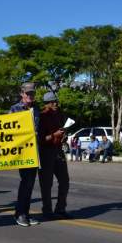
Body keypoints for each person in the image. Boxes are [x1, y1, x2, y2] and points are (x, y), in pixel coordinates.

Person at [9, 82, 40, 227]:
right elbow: (8, 131)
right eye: (28, 93)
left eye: (32, 93)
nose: (30, 96)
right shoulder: (14, 109)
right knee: (25, 183)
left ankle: (25, 213)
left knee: (30, 184)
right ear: (22, 93)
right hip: (22, 152)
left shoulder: (37, 108)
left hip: (34, 152)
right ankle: (19, 213)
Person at [38, 91, 71, 220]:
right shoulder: (41, 116)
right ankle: (47, 211)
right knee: (46, 184)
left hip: (58, 150)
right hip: (45, 152)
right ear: (46, 104)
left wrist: (63, 135)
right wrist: (54, 135)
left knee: (64, 181)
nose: (55, 103)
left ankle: (61, 208)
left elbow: (61, 131)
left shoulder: (59, 114)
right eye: (52, 102)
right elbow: (40, 139)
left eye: (56, 101)